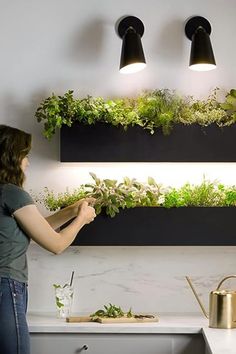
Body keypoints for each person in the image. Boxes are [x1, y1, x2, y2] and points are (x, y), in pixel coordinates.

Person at [0, 124, 96, 354]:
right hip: (6, 286)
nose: (28, 162)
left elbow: (34, 230)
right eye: (25, 155)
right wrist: (82, 219)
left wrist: (69, 211)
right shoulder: (11, 193)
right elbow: (56, 244)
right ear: (12, 156)